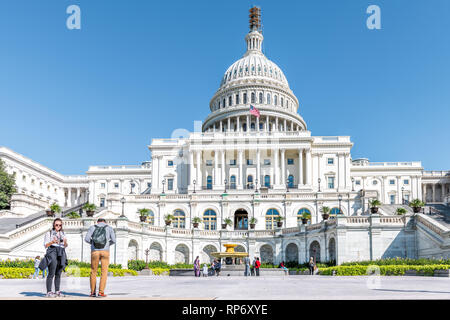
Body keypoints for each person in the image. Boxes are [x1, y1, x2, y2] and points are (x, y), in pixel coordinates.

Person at [84, 218, 116, 298]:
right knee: (104, 272)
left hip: (95, 251)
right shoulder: (109, 228)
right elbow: (114, 240)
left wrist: (93, 243)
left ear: (97, 222)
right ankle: (101, 292)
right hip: (105, 252)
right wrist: (107, 245)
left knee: (93, 271)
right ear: (105, 222)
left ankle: (92, 292)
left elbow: (86, 239)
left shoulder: (92, 227)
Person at [40, 218, 68, 298]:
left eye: (60, 225)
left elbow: (65, 245)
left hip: (61, 251)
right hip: (52, 251)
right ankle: (49, 292)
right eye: (56, 225)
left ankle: (57, 291)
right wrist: (52, 242)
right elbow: (45, 245)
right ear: (53, 225)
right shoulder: (49, 233)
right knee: (51, 272)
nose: (58, 226)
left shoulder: (62, 233)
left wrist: (65, 242)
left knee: (58, 273)